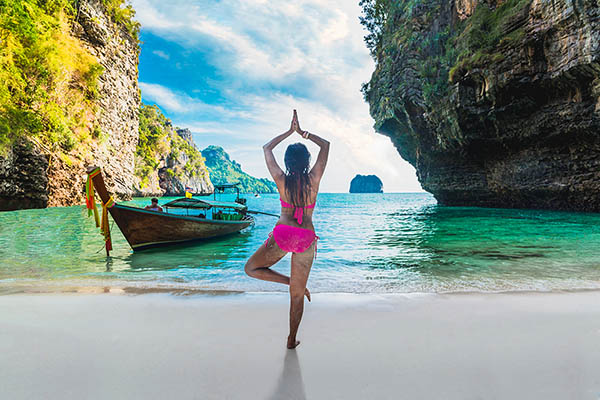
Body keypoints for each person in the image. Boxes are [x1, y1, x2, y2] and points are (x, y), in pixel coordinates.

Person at [245, 109, 330, 349]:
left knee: (251, 268)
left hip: (283, 234)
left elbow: (266, 149)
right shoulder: (314, 179)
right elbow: (326, 146)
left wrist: (288, 131)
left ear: (287, 163)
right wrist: (304, 133)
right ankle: (291, 339)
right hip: (306, 238)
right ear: (307, 162)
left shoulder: (281, 180)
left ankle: (290, 282)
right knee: (296, 295)